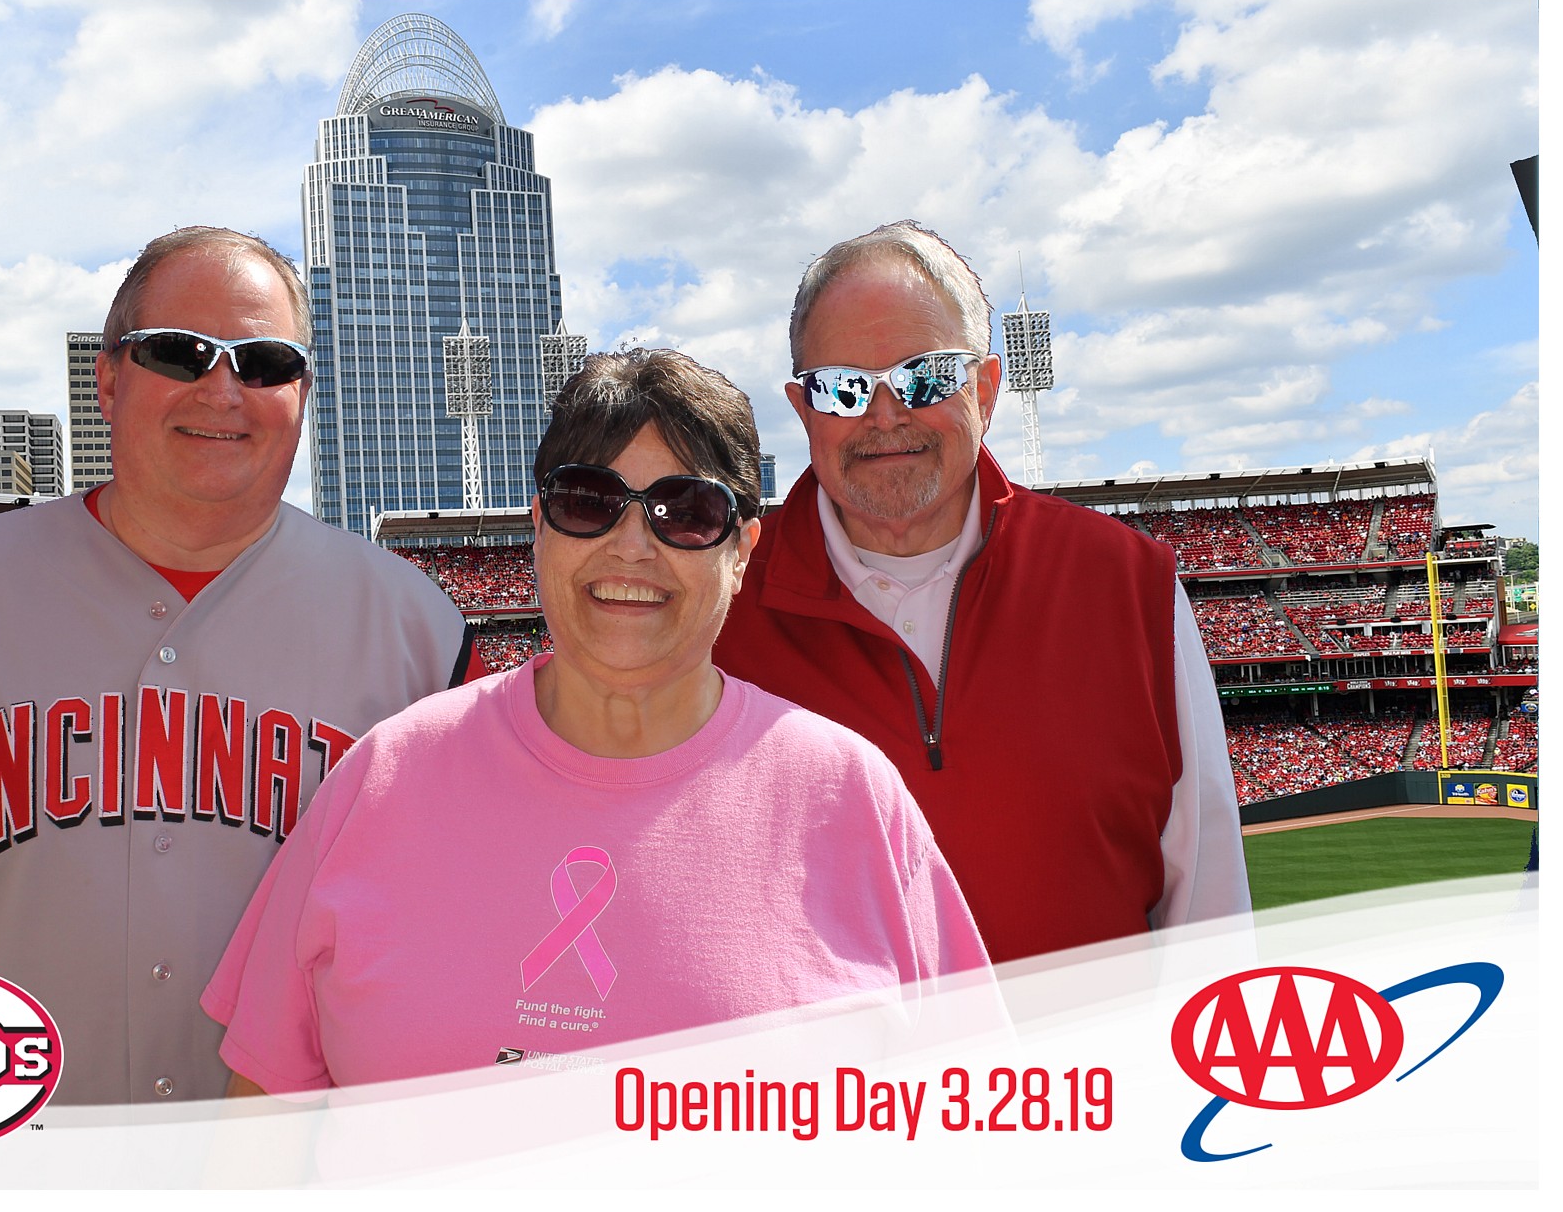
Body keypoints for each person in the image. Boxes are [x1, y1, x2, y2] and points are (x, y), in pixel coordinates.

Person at [0, 226, 479, 1105]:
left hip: (292, 1170)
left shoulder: (422, 631)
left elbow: (455, 937)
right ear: (107, 378)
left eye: (265, 363)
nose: (224, 389)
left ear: (304, 392)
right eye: (180, 352)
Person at [203, 349, 989, 1092]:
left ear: (743, 550)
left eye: (687, 512)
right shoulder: (382, 778)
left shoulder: (851, 795)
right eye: (590, 502)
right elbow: (261, 1126)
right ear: (540, 524)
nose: (631, 547)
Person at [712, 221, 1250, 965]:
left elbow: (1209, 911)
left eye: (924, 377)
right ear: (804, 409)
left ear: (987, 390)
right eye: (843, 388)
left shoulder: (1127, 583)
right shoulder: (717, 609)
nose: (883, 415)